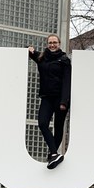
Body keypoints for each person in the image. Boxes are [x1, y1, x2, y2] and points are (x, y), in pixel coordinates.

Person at [28, 34, 71, 169]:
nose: (52, 45)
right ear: (47, 44)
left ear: (59, 44)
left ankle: (53, 155)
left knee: (58, 129)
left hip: (60, 99)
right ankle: (54, 153)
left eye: (55, 42)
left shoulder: (64, 60)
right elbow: (30, 53)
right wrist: (30, 50)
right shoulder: (42, 58)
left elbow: (67, 82)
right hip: (46, 97)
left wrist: (64, 101)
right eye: (50, 42)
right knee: (42, 123)